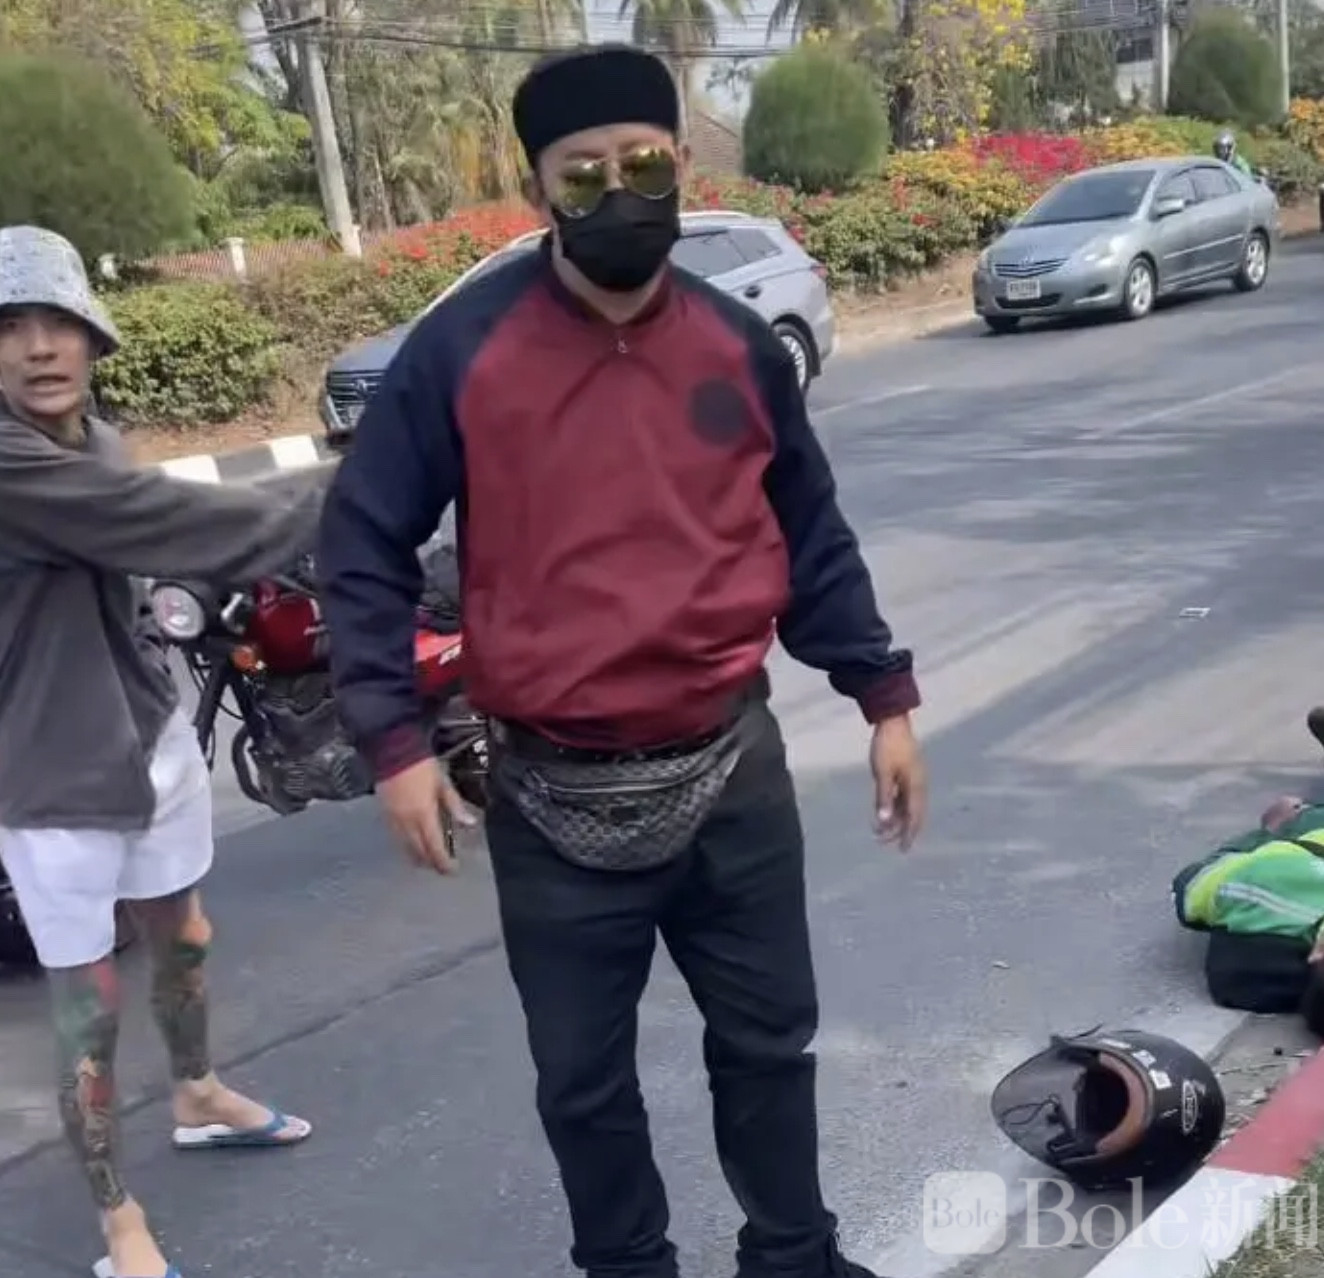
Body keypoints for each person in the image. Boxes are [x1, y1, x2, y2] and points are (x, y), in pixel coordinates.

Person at [316, 44, 927, 1278]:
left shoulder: (740, 347)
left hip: (731, 772)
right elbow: (362, 541)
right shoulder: (463, 353)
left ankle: (794, 1258)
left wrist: (883, 697)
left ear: (681, 164)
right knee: (582, 1083)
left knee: (768, 1046)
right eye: (581, 173)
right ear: (537, 189)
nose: (617, 192)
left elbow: (809, 534)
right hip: (551, 792)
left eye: (641, 165)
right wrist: (393, 742)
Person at [0, 225, 326, 1278]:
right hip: (49, 775)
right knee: (86, 1007)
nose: (38, 348)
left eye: (57, 323)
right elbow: (159, 519)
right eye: (9, 328)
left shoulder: (93, 437)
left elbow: (136, 559)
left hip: (149, 736)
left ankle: (196, 1094)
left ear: (93, 337)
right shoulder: (10, 462)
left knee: (183, 934)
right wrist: (356, 486)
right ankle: (119, 1219)